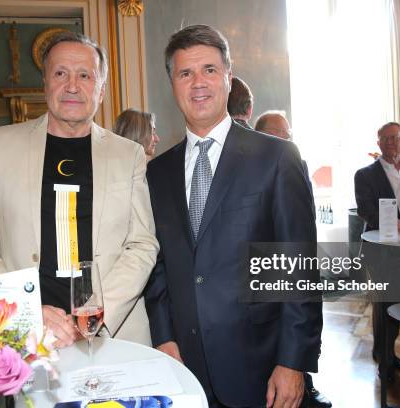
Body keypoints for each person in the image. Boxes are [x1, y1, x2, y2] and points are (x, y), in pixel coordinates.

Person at [145, 25, 321, 408]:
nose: (198, 83)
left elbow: (297, 268)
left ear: (228, 75)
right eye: (185, 73)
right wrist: (163, 337)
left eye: (209, 69)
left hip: (260, 365)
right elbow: (156, 266)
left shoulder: (277, 158)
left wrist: (292, 362)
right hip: (183, 363)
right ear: (172, 83)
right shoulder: (157, 172)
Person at [0, 32, 159, 348]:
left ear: (101, 90)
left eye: (84, 75)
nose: (72, 85)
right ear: (45, 84)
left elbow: (142, 244)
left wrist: (95, 313)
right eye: (60, 73)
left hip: (112, 332)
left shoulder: (128, 154)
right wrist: (24, 310)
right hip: (26, 334)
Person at [254, 110, 329, 407]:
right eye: (279, 133)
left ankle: (306, 385)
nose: (285, 139)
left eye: (288, 134)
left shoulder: (294, 162)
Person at [354, 122, 400, 381]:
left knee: (398, 301)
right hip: (381, 248)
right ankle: (384, 357)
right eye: (385, 139)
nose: (390, 142)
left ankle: (389, 352)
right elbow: (365, 210)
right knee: (384, 303)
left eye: (395, 138)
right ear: (378, 143)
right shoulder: (365, 174)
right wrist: (392, 223)